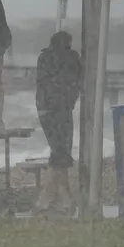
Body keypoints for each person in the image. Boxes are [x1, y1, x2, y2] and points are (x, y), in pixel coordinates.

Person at [35, 30, 82, 212]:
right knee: (60, 152)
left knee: (58, 151)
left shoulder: (44, 57)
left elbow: (42, 83)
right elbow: (77, 81)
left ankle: (61, 198)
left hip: (45, 110)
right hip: (62, 109)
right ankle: (49, 199)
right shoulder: (72, 58)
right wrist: (70, 101)